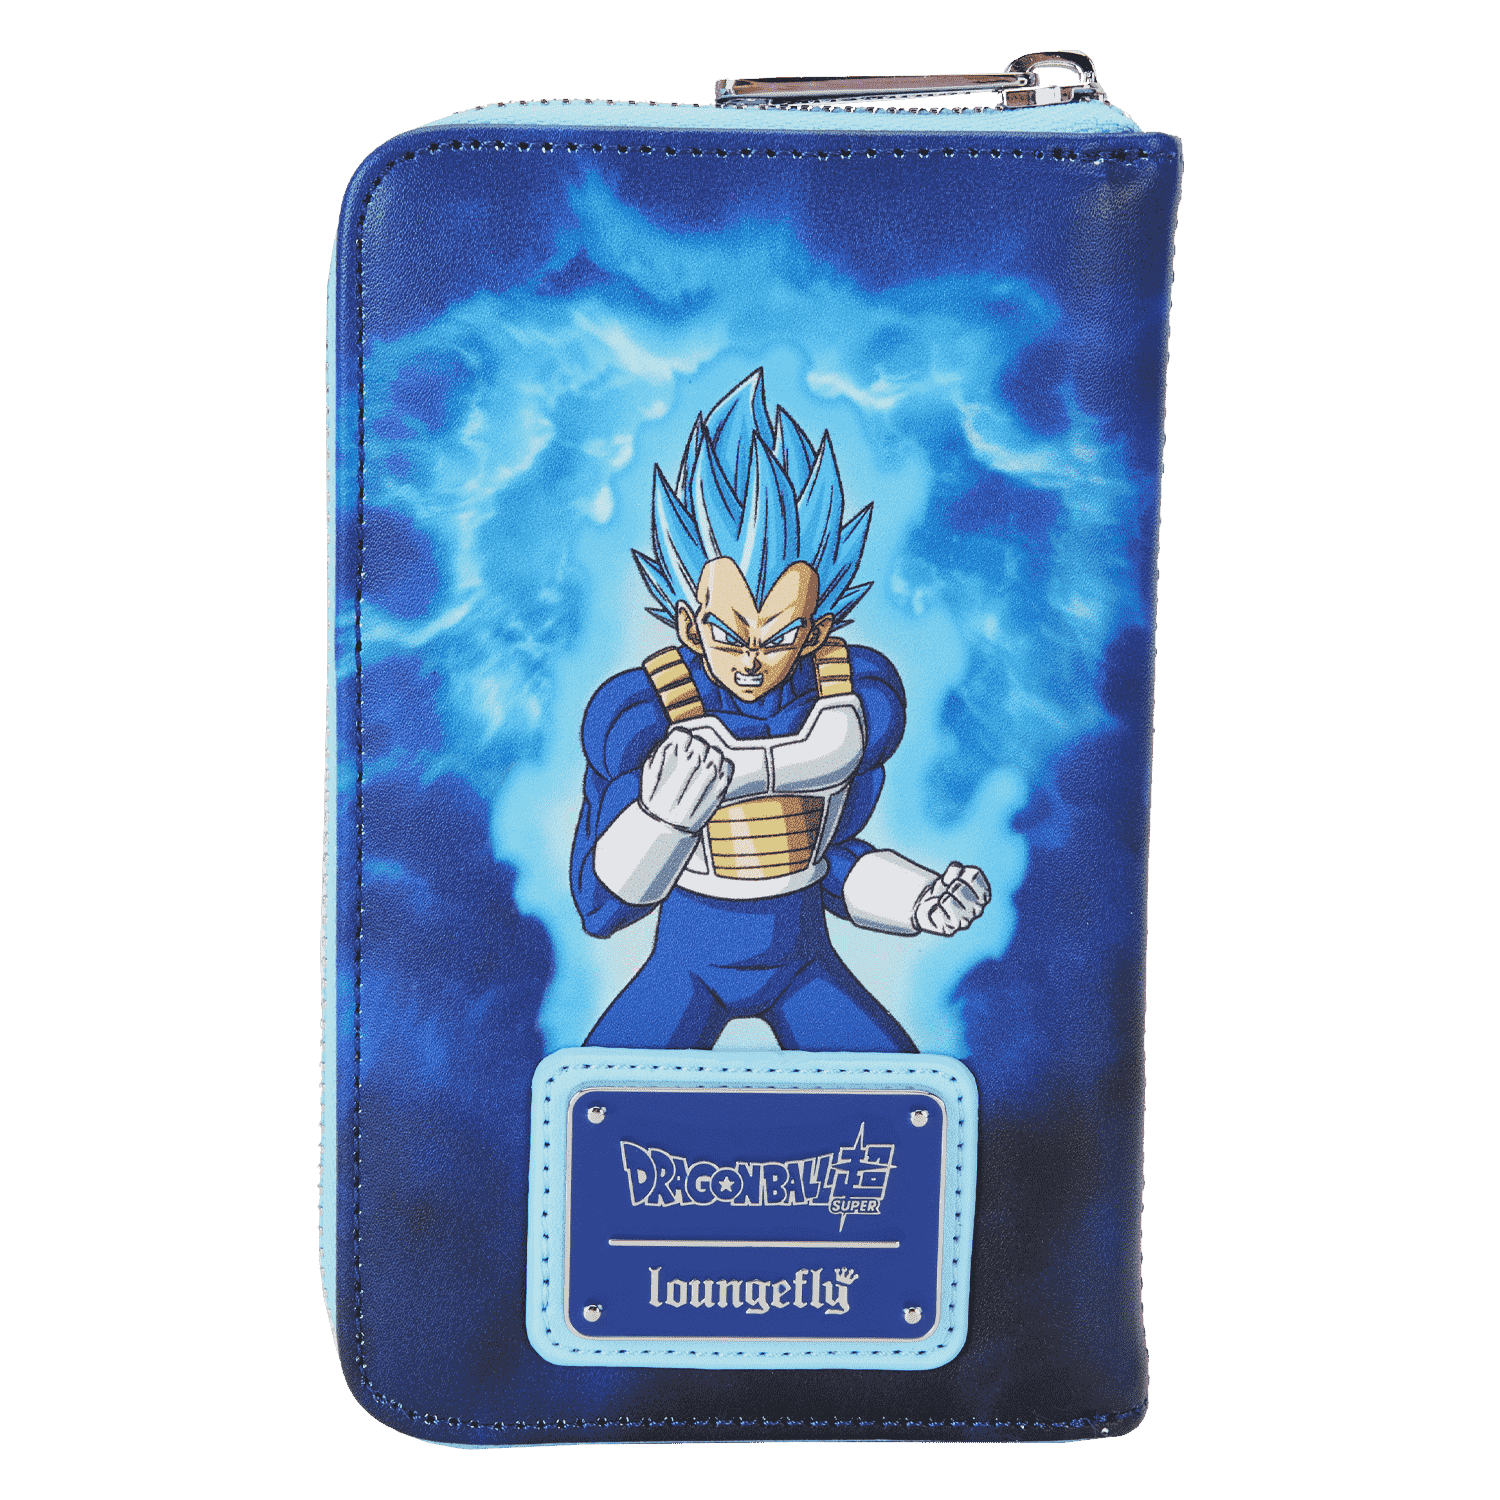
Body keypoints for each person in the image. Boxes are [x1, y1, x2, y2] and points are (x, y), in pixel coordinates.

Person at [570, 370, 989, 1051]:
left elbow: (834, 860)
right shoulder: (640, 713)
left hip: (802, 962)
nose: (751, 662)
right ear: (689, 623)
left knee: (897, 1094)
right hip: (685, 968)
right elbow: (603, 904)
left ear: (816, 631)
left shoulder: (847, 692)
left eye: (779, 637)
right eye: (729, 634)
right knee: (605, 1099)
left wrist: (919, 901)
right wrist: (661, 820)